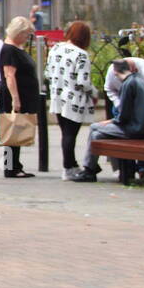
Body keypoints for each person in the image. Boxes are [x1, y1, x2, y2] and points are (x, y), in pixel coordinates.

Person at [69, 59, 144, 182]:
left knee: (93, 127)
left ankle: (90, 170)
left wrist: (110, 122)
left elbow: (123, 116)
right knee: (96, 135)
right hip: (138, 126)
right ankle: (90, 169)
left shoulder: (128, 84)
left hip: (133, 128)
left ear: (115, 72)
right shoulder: (138, 80)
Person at [45, 21, 97, 174]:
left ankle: (71, 164)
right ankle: (68, 167)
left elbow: (48, 73)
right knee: (71, 134)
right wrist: (94, 92)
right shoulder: (81, 55)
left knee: (65, 133)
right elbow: (83, 82)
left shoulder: (55, 48)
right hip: (74, 99)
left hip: (58, 96)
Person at [0, 16, 40, 178]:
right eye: (26, 34)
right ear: (18, 32)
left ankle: (15, 165)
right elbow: (9, 75)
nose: (27, 37)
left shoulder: (15, 48)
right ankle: (10, 167)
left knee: (17, 130)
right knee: (11, 130)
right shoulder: (9, 49)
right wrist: (15, 98)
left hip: (23, 94)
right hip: (15, 96)